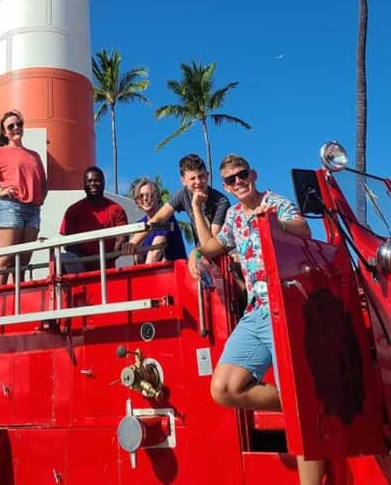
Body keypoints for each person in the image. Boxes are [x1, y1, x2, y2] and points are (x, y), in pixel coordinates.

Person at [194, 154, 324, 485]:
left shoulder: (275, 203)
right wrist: (196, 215)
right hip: (256, 311)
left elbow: (303, 229)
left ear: (253, 173)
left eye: (241, 175)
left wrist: (274, 222)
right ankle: (301, 401)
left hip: (286, 306)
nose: (238, 183)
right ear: (224, 186)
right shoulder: (235, 217)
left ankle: (302, 408)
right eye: (230, 180)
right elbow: (211, 247)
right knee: (223, 388)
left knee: (300, 418)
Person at [0, 110, 47, 285]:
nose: (16, 128)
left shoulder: (34, 155)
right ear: (5, 132)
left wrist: (40, 197)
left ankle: (16, 304)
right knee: (4, 261)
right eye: (10, 126)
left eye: (18, 124)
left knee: (21, 263)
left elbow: (43, 182)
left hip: (33, 210)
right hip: (9, 207)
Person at [124, 154, 228, 272]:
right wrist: (133, 242)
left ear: (208, 175)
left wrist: (196, 207)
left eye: (201, 176)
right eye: (193, 178)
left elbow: (211, 248)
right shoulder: (183, 194)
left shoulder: (221, 202)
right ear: (183, 181)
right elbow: (158, 219)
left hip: (220, 262)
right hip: (200, 262)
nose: (198, 182)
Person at [60, 167, 128, 270]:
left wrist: (105, 260)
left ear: (104, 182)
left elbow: (122, 238)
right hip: (80, 269)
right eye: (89, 181)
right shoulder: (73, 210)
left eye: (97, 181)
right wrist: (86, 261)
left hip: (108, 269)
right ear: (84, 184)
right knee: (60, 258)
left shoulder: (116, 209)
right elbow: (69, 243)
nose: (92, 184)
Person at [132, 177, 186, 264]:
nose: (145, 199)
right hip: (155, 273)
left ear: (157, 197)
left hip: (174, 272)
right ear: (137, 201)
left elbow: (156, 250)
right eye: (141, 196)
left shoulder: (167, 218)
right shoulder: (140, 224)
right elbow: (137, 258)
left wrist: (146, 274)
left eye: (150, 195)